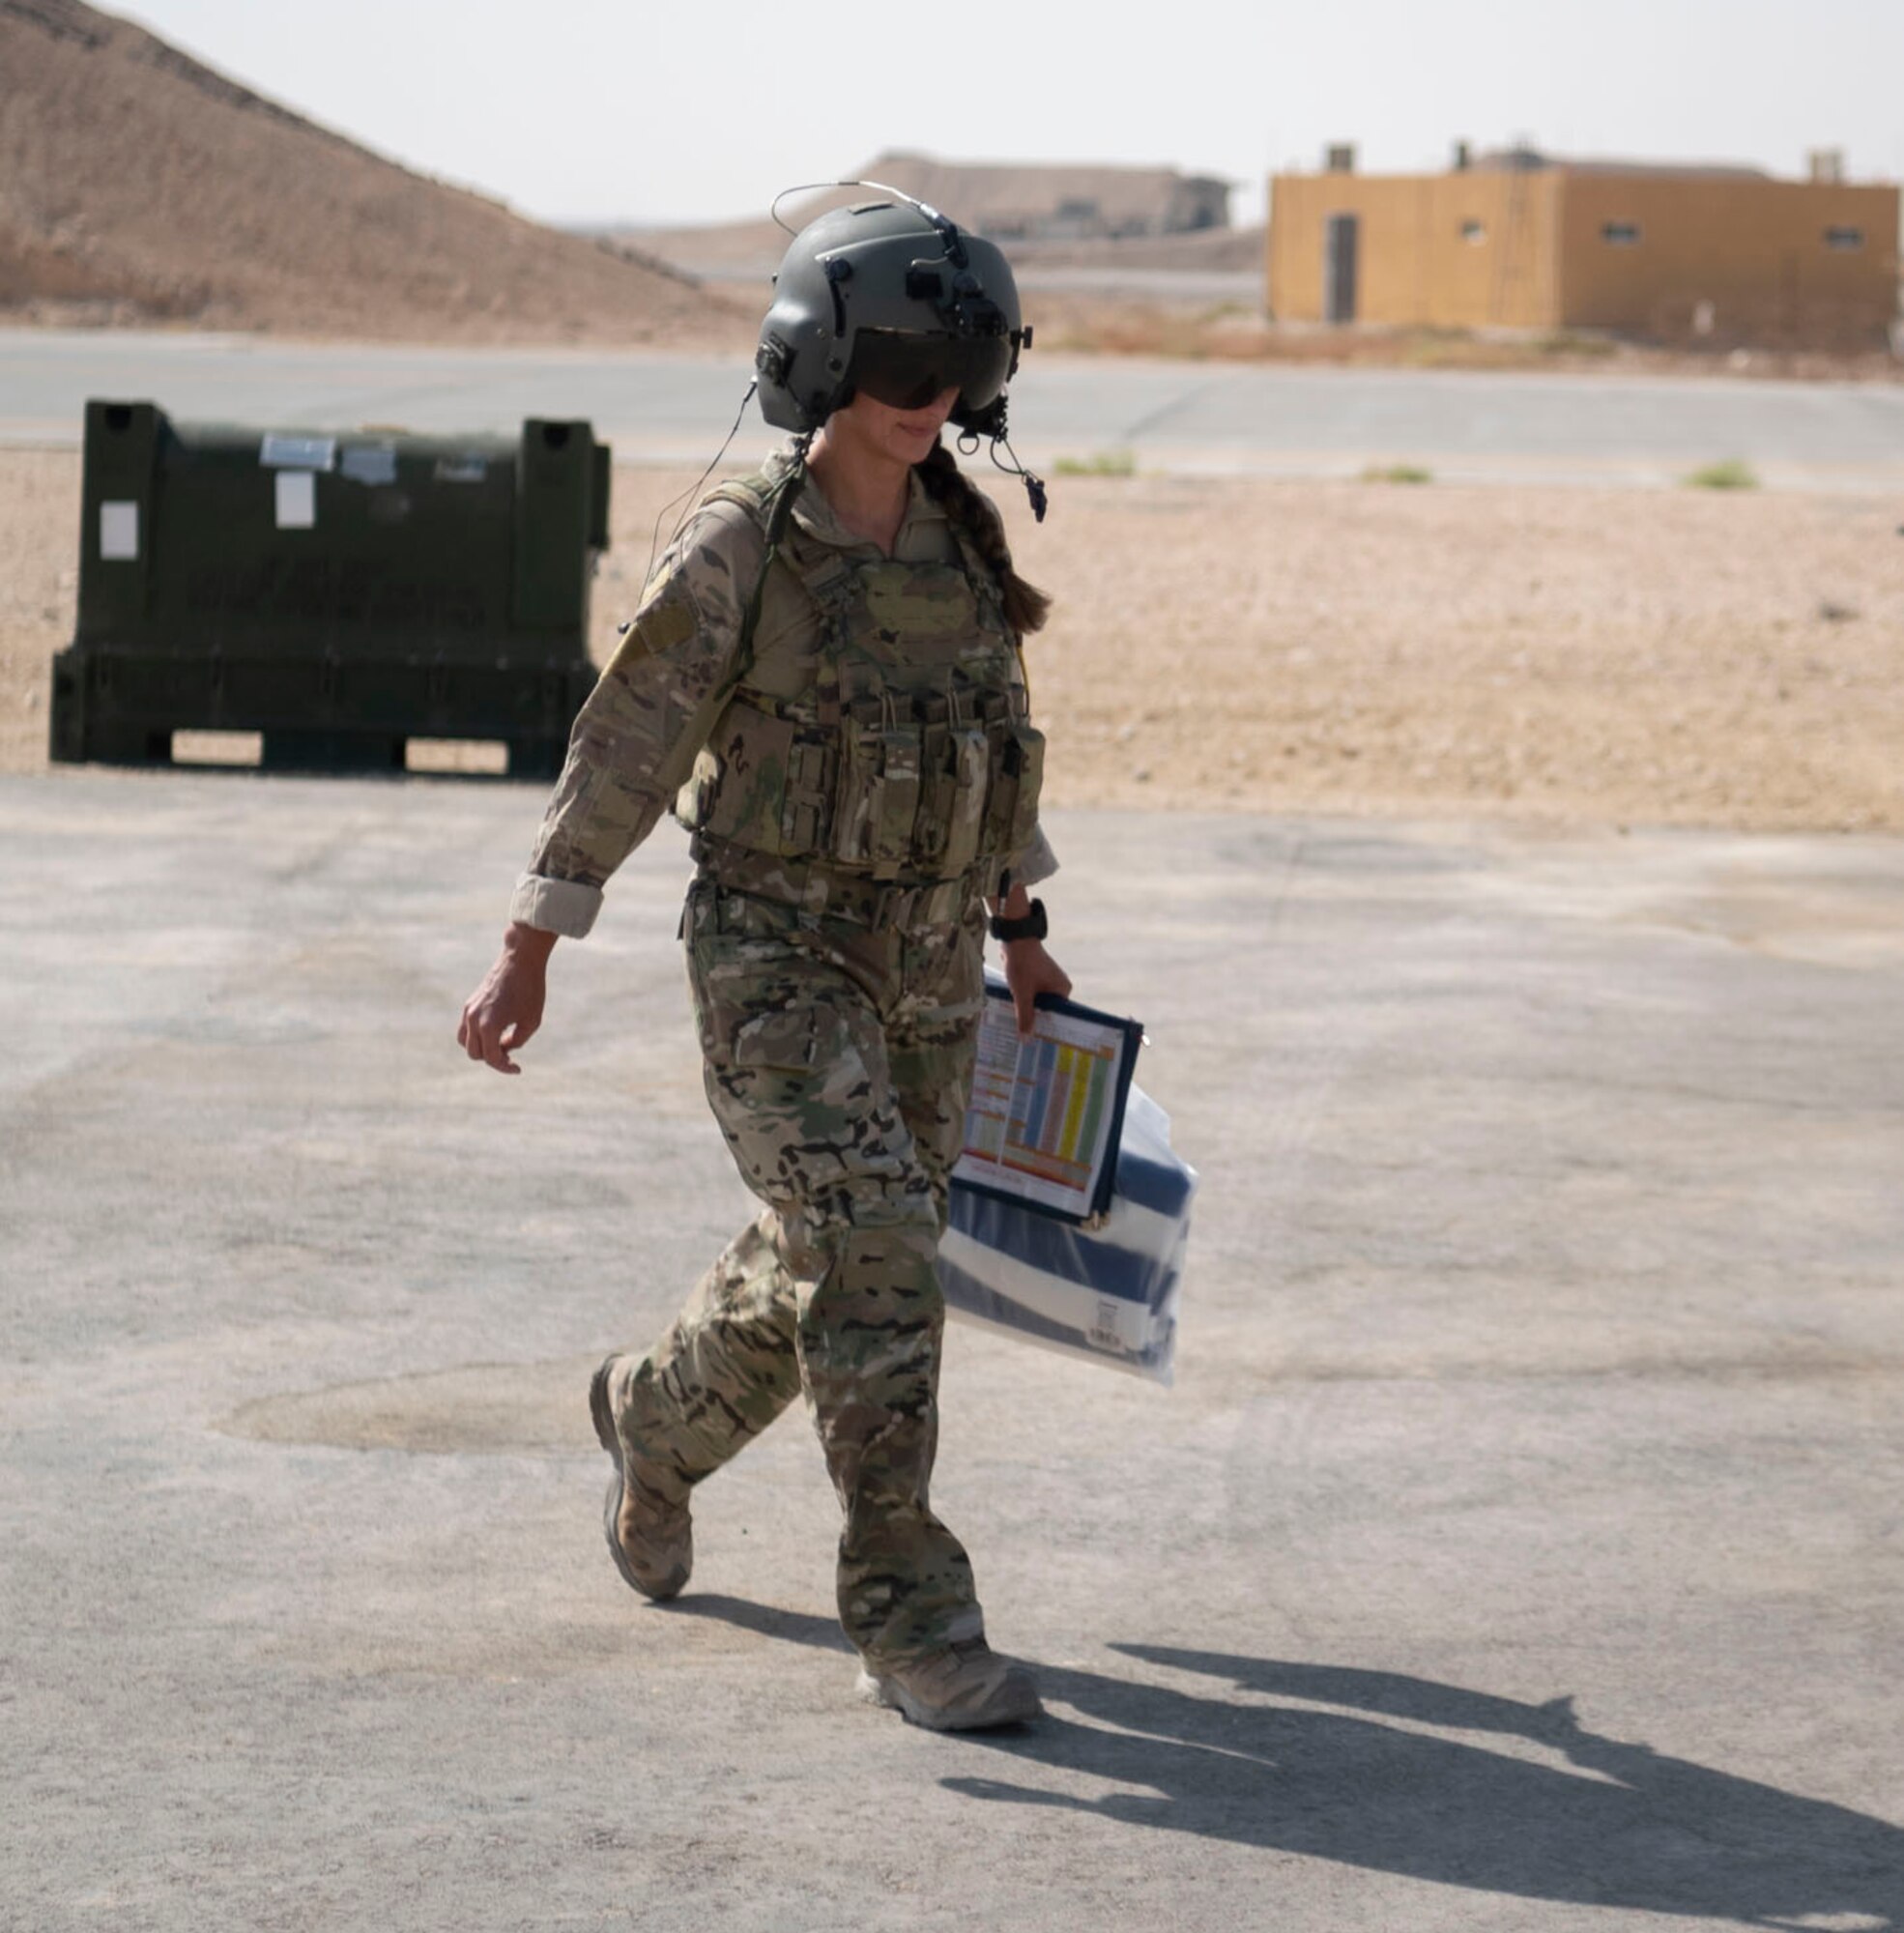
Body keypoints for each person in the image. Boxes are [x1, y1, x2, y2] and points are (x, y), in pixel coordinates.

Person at [457, 195, 1072, 1731]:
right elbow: (628, 744)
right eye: (898, 354)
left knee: (831, 1257)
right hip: (775, 960)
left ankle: (651, 1422)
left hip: (928, 971)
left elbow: (987, 757)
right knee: (875, 1241)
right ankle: (911, 1610)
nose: (927, 387)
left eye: (958, 355)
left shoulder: (962, 543)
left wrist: (1022, 934)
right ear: (821, 361)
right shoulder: (742, 545)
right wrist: (534, 941)